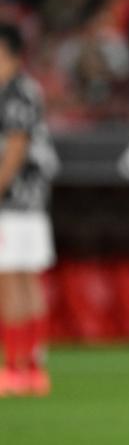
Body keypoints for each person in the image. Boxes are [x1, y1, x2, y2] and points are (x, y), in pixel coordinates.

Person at [0, 23, 57, 397]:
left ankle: (14, 366)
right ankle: (32, 366)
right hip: (30, 202)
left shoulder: (16, 92)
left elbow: (17, 146)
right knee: (26, 279)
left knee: (9, 281)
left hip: (14, 200)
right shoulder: (27, 89)